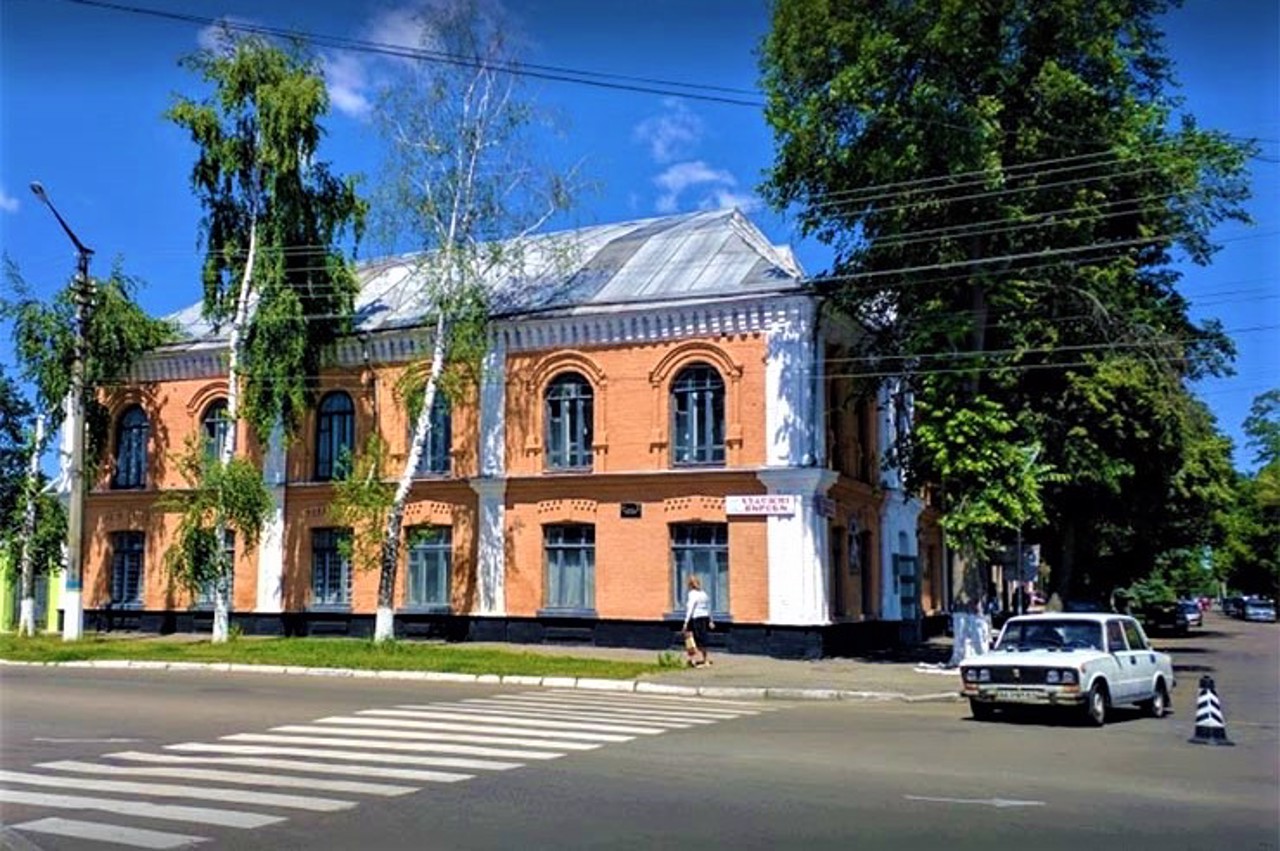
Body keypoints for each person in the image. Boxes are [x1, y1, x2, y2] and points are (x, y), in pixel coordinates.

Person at [681, 575, 714, 667]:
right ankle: (705, 659)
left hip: (695, 618)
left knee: (690, 639)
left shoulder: (692, 594)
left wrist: (686, 622)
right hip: (704, 618)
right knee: (703, 638)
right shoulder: (704, 594)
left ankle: (694, 660)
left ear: (690, 585)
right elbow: (708, 608)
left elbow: (690, 608)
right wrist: (711, 620)